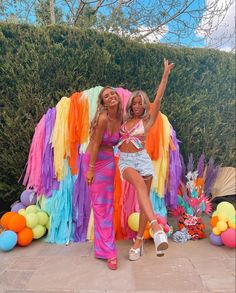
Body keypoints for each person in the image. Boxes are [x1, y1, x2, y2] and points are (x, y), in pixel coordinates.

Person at [117, 58, 174, 260]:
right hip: (126, 161)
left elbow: (157, 99)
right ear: (131, 104)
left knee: (144, 203)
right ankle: (157, 228)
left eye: (141, 102)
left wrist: (165, 75)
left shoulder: (147, 121)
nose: (138, 104)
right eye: (135, 101)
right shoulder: (123, 121)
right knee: (139, 185)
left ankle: (139, 240)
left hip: (143, 160)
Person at [84, 87, 123, 270]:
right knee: (100, 207)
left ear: (117, 98)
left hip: (109, 163)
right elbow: (96, 145)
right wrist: (90, 170)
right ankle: (110, 252)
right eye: (106, 96)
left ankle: (102, 249)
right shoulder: (102, 119)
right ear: (103, 102)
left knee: (106, 206)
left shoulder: (121, 118)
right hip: (94, 161)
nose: (111, 97)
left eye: (112, 94)